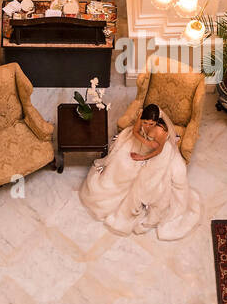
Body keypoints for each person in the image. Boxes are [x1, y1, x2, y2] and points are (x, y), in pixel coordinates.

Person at [79, 103, 201, 241]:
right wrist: (145, 141)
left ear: (156, 122)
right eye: (145, 122)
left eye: (151, 123)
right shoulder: (141, 118)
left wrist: (142, 158)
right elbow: (135, 132)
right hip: (140, 143)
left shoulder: (161, 132)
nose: (147, 125)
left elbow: (158, 151)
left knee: (146, 180)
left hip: (156, 154)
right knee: (120, 163)